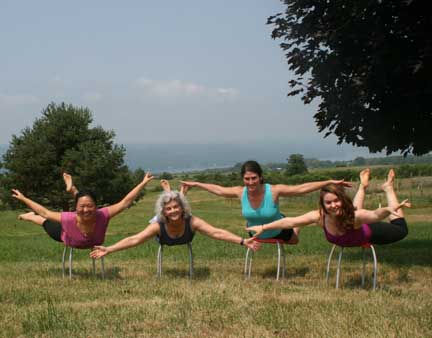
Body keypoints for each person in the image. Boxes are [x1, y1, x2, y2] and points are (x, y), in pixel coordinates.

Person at [181, 160, 351, 243]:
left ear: (260, 177)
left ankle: (295, 228)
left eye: (253, 178)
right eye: (246, 179)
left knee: (294, 242)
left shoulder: (274, 190)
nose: (250, 182)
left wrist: (328, 182)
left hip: (278, 230)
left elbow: (301, 188)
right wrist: (196, 183)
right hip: (254, 231)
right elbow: (218, 190)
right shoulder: (240, 192)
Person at [247, 169, 410, 247]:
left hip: (369, 232)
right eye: (328, 203)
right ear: (323, 205)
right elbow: (289, 222)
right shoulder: (319, 216)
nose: (333, 205)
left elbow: (375, 214)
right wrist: (263, 227)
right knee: (351, 213)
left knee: (401, 230)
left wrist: (388, 210)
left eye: (336, 201)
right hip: (352, 228)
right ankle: (363, 186)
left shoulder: (356, 216)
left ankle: (388, 188)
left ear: (342, 200)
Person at [90, 189, 260, 259]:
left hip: (185, 237)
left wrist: (243, 241)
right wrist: (109, 249)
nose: (173, 211)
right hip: (163, 238)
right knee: (153, 226)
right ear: (164, 212)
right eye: (169, 208)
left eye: (176, 206)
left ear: (182, 207)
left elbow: (215, 232)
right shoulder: (159, 225)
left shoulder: (192, 221)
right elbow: (135, 239)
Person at [12, 172, 154, 249]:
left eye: (90, 206)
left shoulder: (103, 214)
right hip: (65, 235)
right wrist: (24, 198)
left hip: (89, 238)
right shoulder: (68, 218)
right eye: (81, 207)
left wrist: (142, 183)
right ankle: (29, 216)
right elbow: (45, 213)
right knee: (44, 221)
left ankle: (72, 189)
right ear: (75, 208)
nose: (86, 210)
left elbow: (124, 203)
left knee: (84, 202)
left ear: (97, 205)